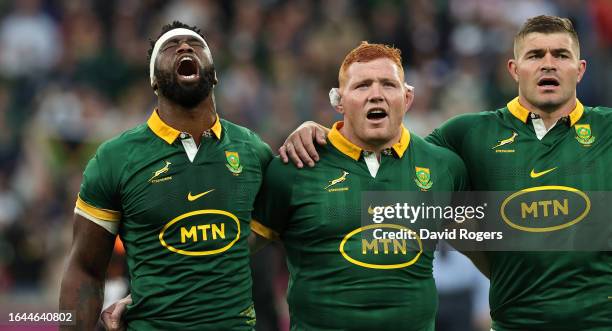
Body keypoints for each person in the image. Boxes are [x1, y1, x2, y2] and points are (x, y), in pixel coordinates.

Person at [281, 15, 612, 330]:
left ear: (580, 69)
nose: (549, 63)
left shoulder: (607, 128)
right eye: (536, 54)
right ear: (514, 68)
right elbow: (393, 158)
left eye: (561, 55)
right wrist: (323, 133)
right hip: (516, 323)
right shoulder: (469, 134)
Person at [60, 21, 272, 330]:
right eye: (171, 47)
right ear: (154, 81)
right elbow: (84, 269)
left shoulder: (254, 151)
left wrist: (311, 131)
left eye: (196, 44)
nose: (185, 48)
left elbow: (284, 226)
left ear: (214, 74)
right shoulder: (115, 159)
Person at [249, 42, 468, 330]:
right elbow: (234, 253)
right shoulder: (295, 166)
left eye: (388, 85)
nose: (376, 95)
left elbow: (488, 247)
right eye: (362, 86)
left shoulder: (444, 167)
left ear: (407, 97)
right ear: (339, 101)